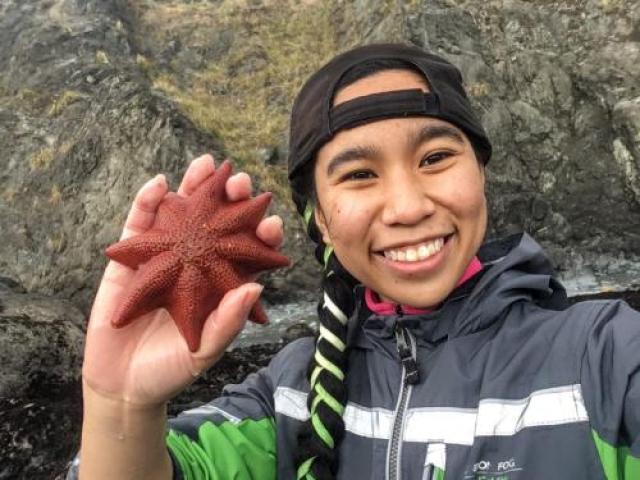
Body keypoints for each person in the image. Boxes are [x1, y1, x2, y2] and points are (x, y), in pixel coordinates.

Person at [68, 43, 640, 480]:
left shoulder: (606, 358)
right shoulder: (288, 398)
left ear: (480, 173)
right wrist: (118, 402)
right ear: (319, 218)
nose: (409, 206)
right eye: (359, 174)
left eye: (436, 157)